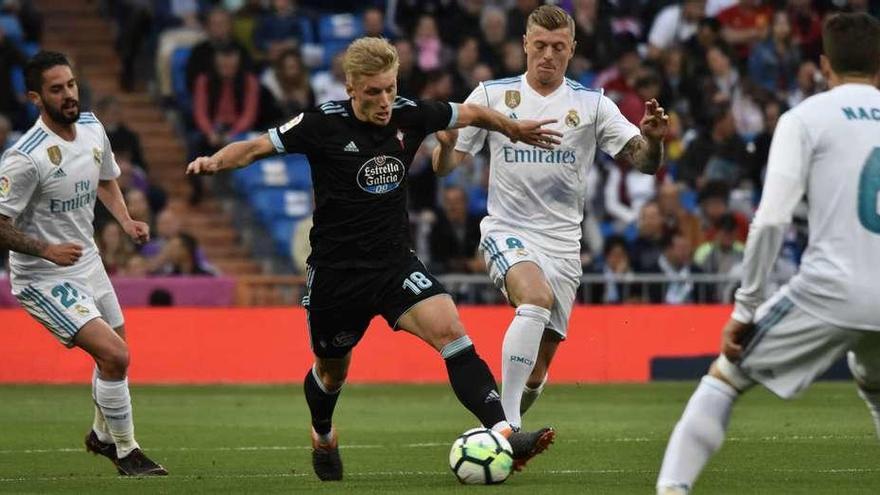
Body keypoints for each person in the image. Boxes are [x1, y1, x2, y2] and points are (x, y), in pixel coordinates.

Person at [186, 36, 562, 482]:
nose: (385, 101)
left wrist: (512, 128)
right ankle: (322, 433)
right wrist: (213, 161)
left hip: (393, 265)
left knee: (453, 333)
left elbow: (473, 112)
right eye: (373, 92)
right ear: (350, 87)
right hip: (336, 275)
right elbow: (253, 148)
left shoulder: (410, 113)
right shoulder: (319, 124)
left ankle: (502, 431)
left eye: (389, 88)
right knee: (330, 374)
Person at [656, 13, 880, 494]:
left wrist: (746, 307)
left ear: (824, 65)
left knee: (724, 378)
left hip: (830, 289)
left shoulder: (806, 118)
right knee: (877, 392)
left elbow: (772, 218)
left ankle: (671, 489)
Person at [432, 5, 668, 432]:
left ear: (572, 49)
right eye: (539, 45)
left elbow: (645, 162)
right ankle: (505, 429)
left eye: (558, 47)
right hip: (507, 230)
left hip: (563, 244)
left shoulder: (591, 104)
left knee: (538, 371)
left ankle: (505, 422)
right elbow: (445, 165)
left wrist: (652, 140)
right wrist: (447, 146)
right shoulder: (491, 95)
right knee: (534, 298)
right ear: (524, 44)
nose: (548, 55)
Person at [0, 51, 166, 475]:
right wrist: (44, 249)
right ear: (35, 97)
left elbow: (105, 178)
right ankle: (127, 451)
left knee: (115, 356)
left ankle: (101, 435)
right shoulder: (24, 158)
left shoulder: (92, 127)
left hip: (86, 261)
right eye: (57, 89)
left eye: (71, 84)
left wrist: (126, 221)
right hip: (42, 275)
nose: (69, 94)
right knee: (116, 355)